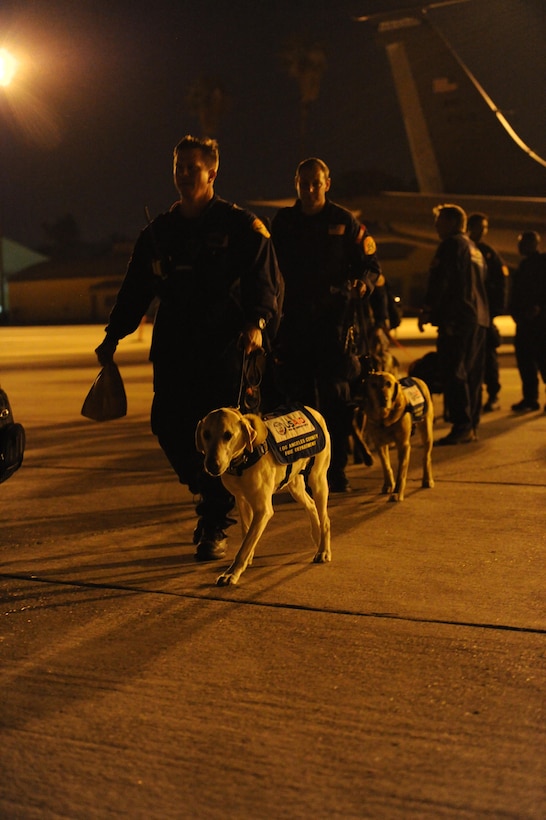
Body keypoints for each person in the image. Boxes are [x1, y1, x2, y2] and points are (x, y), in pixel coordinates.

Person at [95, 135, 282, 561]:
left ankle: (214, 522)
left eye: (192, 168)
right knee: (168, 426)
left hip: (225, 351)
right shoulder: (159, 233)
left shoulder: (242, 228)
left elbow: (265, 284)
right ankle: (208, 490)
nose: (182, 175)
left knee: (223, 438)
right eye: (178, 166)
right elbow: (134, 291)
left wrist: (257, 323)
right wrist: (113, 335)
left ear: (212, 173)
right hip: (175, 348)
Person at [271, 157, 381, 492]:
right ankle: (302, 471)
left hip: (335, 325)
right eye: (303, 183)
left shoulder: (343, 221)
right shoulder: (284, 222)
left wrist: (363, 284)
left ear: (327, 184)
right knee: (297, 400)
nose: (309, 189)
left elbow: (370, 264)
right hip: (294, 326)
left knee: (336, 397)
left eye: (315, 183)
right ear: (296, 184)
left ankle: (336, 470)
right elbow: (266, 265)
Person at [418, 204, 489, 445]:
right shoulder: (474, 249)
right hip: (478, 318)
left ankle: (461, 425)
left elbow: (441, 280)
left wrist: (428, 309)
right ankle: (471, 424)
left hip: (457, 318)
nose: (436, 226)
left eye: (439, 221)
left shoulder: (451, 245)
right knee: (472, 373)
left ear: (450, 222)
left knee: (454, 371)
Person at [467, 213, 509, 412]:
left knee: (489, 356)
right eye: (479, 227)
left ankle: (493, 394)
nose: (482, 231)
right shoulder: (464, 249)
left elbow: (501, 281)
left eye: (484, 227)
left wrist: (495, 310)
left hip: (484, 314)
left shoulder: (487, 252)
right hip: (467, 315)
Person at [508, 230, 546, 413]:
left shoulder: (542, 263)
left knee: (543, 361)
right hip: (524, 322)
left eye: (523, 243)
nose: (520, 247)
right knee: (525, 362)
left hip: (541, 324)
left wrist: (538, 307)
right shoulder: (523, 266)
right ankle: (530, 398)